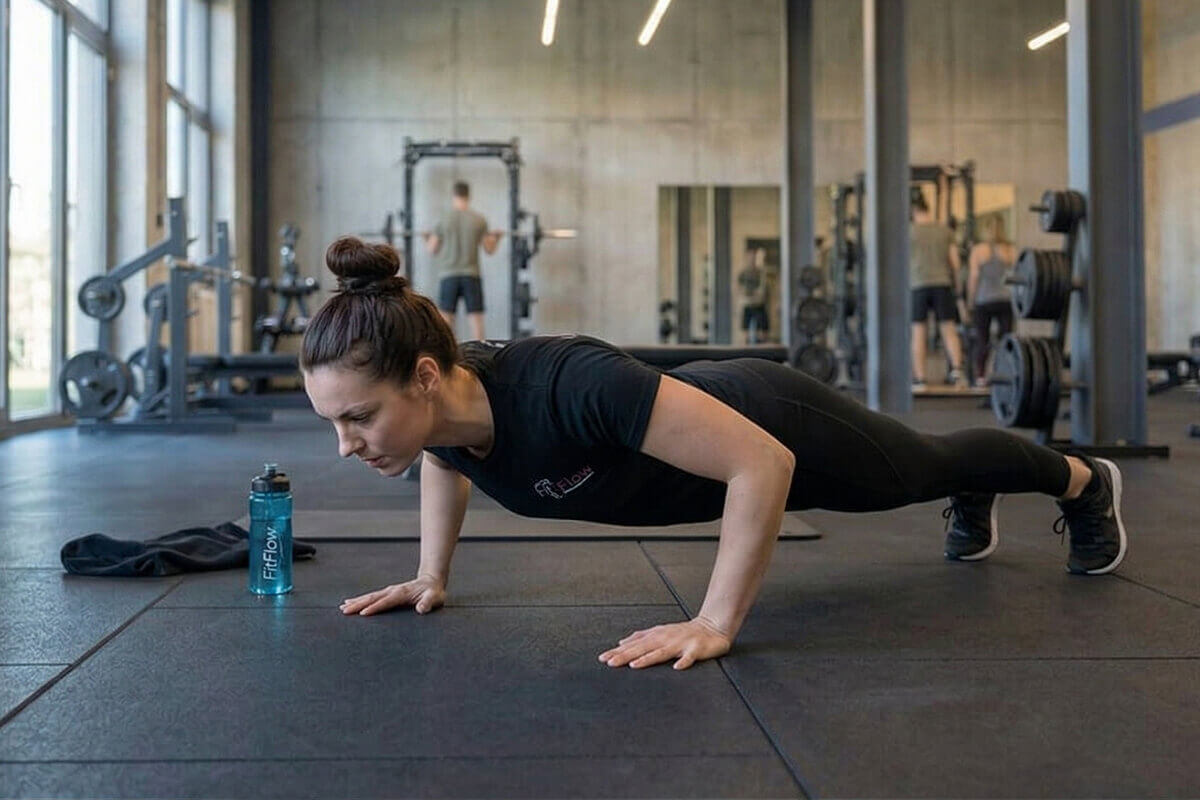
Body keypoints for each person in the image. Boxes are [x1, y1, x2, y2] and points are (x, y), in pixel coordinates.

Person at [300, 236, 1128, 672]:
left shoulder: (565, 385)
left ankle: (1084, 481)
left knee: (920, 466)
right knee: (931, 470)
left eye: (359, 418)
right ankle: (976, 489)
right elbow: (449, 461)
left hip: (772, 420)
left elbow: (761, 464)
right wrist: (432, 575)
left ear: (424, 377)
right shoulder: (448, 419)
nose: (346, 447)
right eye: (335, 424)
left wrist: (714, 621)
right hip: (728, 440)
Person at [425, 181, 502, 341]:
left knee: (446, 320)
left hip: (449, 275)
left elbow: (432, 249)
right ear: (469, 196)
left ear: (454, 195)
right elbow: (489, 249)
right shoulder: (479, 220)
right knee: (476, 320)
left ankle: (448, 358)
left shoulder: (443, 219)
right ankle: (480, 356)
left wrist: (426, 238)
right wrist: (497, 238)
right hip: (471, 275)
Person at [910, 193, 967, 389]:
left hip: (918, 286)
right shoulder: (944, 231)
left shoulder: (909, 232)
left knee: (918, 332)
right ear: (928, 209)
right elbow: (956, 263)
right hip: (942, 284)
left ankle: (920, 379)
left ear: (914, 212)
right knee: (949, 329)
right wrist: (958, 288)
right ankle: (957, 372)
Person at [967, 216, 1017, 388]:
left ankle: (981, 377)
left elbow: (973, 277)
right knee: (1006, 339)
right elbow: (1016, 279)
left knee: (982, 339)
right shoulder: (1010, 250)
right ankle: (1004, 374)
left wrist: (970, 301)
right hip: (1005, 299)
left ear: (985, 229)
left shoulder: (979, 250)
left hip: (984, 300)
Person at [736, 247, 770, 345]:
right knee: (745, 334)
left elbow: (764, 290)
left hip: (759, 305)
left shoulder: (761, 273)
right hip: (748, 304)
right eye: (750, 257)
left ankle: (764, 355)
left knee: (763, 333)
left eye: (754, 257)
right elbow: (738, 288)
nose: (752, 259)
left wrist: (759, 294)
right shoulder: (743, 273)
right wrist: (745, 296)